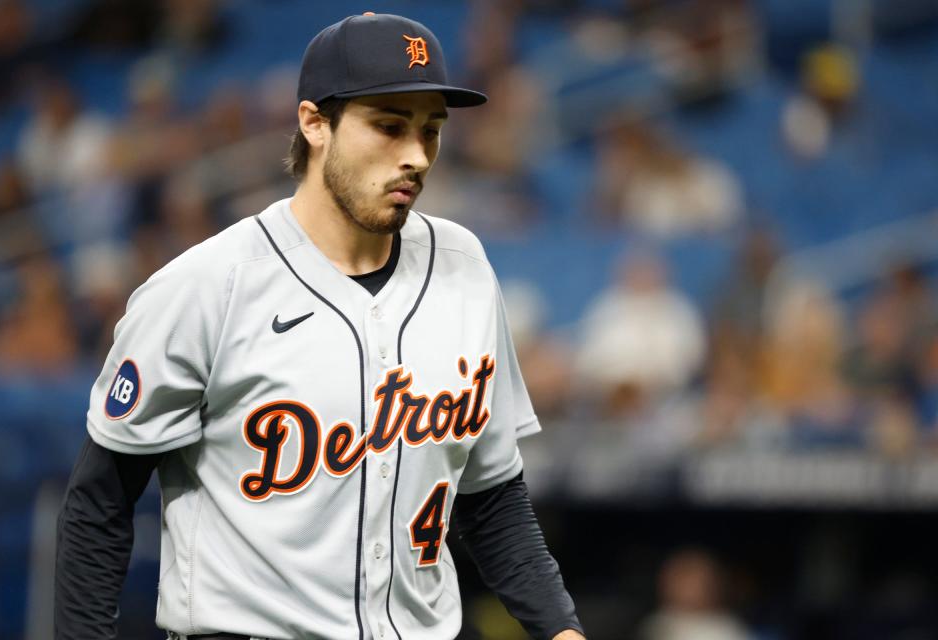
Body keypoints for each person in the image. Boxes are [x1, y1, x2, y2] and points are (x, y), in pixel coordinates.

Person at [55, 12, 584, 640]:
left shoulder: (465, 268)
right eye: (389, 126)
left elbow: (492, 495)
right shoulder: (206, 286)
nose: (416, 155)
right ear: (314, 123)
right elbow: (99, 504)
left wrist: (561, 630)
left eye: (431, 130)